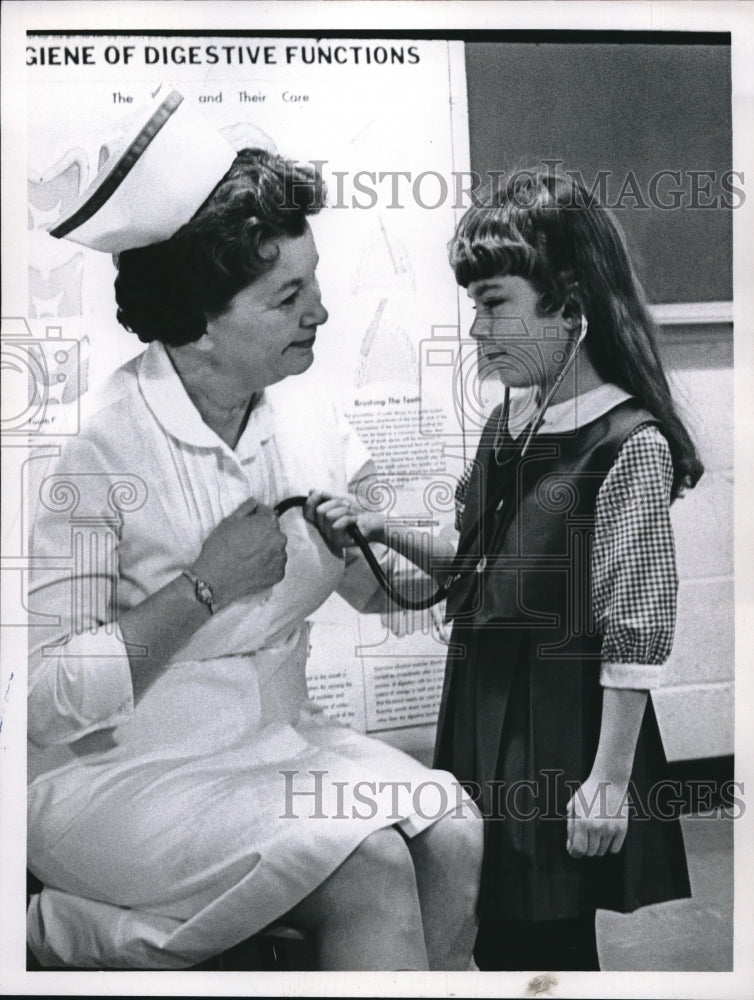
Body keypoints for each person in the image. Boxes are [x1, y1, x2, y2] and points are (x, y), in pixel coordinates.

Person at [26, 86, 482, 972]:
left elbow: (389, 595)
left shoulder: (308, 420)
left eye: (312, 283)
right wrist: (204, 587)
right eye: (286, 298)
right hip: (116, 778)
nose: (319, 313)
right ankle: (73, 925)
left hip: (278, 740)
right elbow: (38, 703)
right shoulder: (93, 452)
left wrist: (406, 538)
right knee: (372, 860)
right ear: (197, 326)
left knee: (456, 831)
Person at [308, 166, 701, 971]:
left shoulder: (628, 444)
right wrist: (385, 531)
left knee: (547, 940)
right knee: (497, 931)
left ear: (569, 308)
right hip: (485, 712)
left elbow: (635, 631)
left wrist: (607, 784)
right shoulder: (511, 419)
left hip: (562, 733)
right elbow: (486, 567)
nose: (479, 332)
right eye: (475, 306)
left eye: (494, 305)